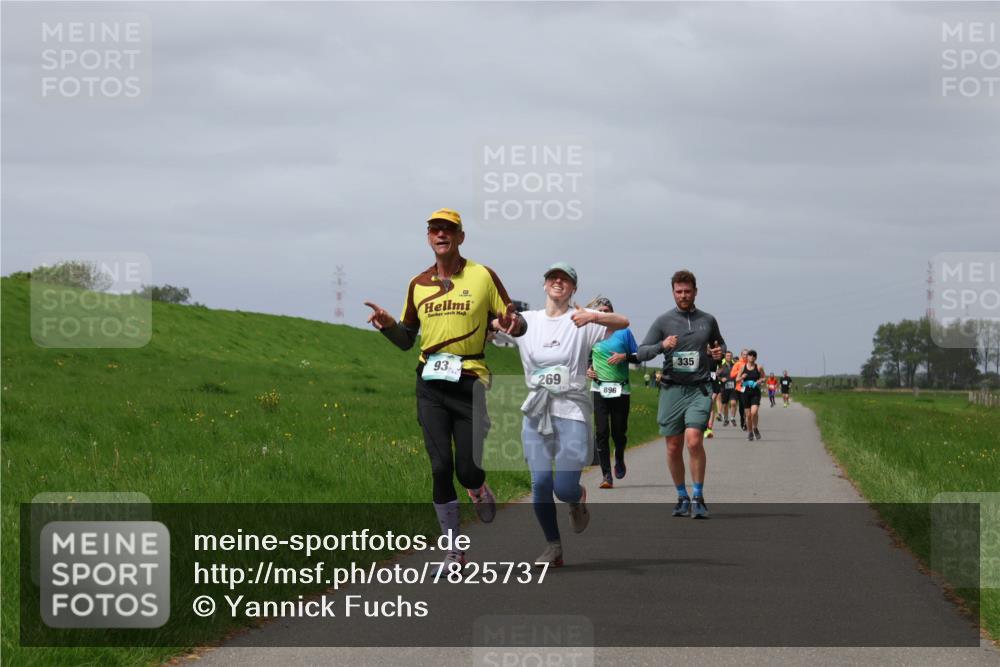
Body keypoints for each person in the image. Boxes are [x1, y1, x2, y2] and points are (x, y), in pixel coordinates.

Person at [365, 208, 526, 573]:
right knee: (440, 467)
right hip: (430, 383)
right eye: (435, 230)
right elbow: (407, 339)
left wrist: (512, 324)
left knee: (467, 471)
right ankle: (454, 554)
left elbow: (516, 323)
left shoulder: (482, 275)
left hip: (471, 382)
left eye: (448, 230)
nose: (441, 235)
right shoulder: (417, 284)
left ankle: (479, 488)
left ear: (460, 237)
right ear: (428, 238)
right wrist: (390, 326)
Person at [510, 264, 629, 566]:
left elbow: (623, 321)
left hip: (572, 411)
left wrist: (595, 316)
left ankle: (576, 498)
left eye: (565, 279)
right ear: (545, 284)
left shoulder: (582, 321)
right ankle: (553, 547)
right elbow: (498, 325)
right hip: (536, 411)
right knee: (540, 484)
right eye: (552, 277)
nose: (558, 281)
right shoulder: (527, 321)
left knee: (563, 488)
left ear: (574, 288)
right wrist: (497, 324)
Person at [636, 270, 725, 519]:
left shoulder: (708, 320)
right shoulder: (663, 321)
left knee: (694, 440)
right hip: (671, 389)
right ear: (673, 292)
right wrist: (662, 346)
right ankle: (681, 496)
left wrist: (717, 353)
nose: (683, 296)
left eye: (687, 291)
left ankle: (698, 495)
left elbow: (720, 345)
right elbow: (642, 352)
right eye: (679, 291)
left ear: (696, 291)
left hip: (699, 389)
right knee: (673, 447)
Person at [584, 296, 639, 489]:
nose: (605, 314)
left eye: (608, 311)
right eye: (602, 311)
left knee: (618, 432)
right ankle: (606, 475)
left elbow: (638, 356)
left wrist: (624, 356)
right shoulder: (590, 333)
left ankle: (620, 457)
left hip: (621, 389)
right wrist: (588, 369)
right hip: (599, 388)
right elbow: (584, 357)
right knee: (601, 431)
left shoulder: (624, 332)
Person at [737, 350, 765, 441]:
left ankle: (755, 428)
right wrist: (742, 377)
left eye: (754, 356)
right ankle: (750, 432)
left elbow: (764, 377)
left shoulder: (759, 367)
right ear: (747, 357)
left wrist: (759, 381)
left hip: (755, 392)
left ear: (756, 358)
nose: (751, 357)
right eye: (750, 355)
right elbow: (737, 379)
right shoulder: (742, 367)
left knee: (754, 412)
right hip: (745, 393)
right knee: (748, 415)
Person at [730, 349, 749, 430]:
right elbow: (731, 375)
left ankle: (743, 422)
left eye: (747, 354)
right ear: (741, 355)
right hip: (737, 387)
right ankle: (733, 418)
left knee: (743, 406)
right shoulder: (738, 364)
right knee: (734, 403)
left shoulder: (750, 364)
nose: (745, 356)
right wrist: (740, 372)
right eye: (744, 354)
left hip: (745, 387)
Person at [718, 350, 736, 426]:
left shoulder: (735, 366)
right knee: (725, 405)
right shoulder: (721, 367)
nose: (729, 357)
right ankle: (726, 419)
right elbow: (716, 376)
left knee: (733, 403)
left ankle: (732, 418)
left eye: (730, 356)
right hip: (724, 388)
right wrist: (721, 379)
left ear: (732, 357)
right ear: (725, 357)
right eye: (727, 356)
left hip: (733, 388)